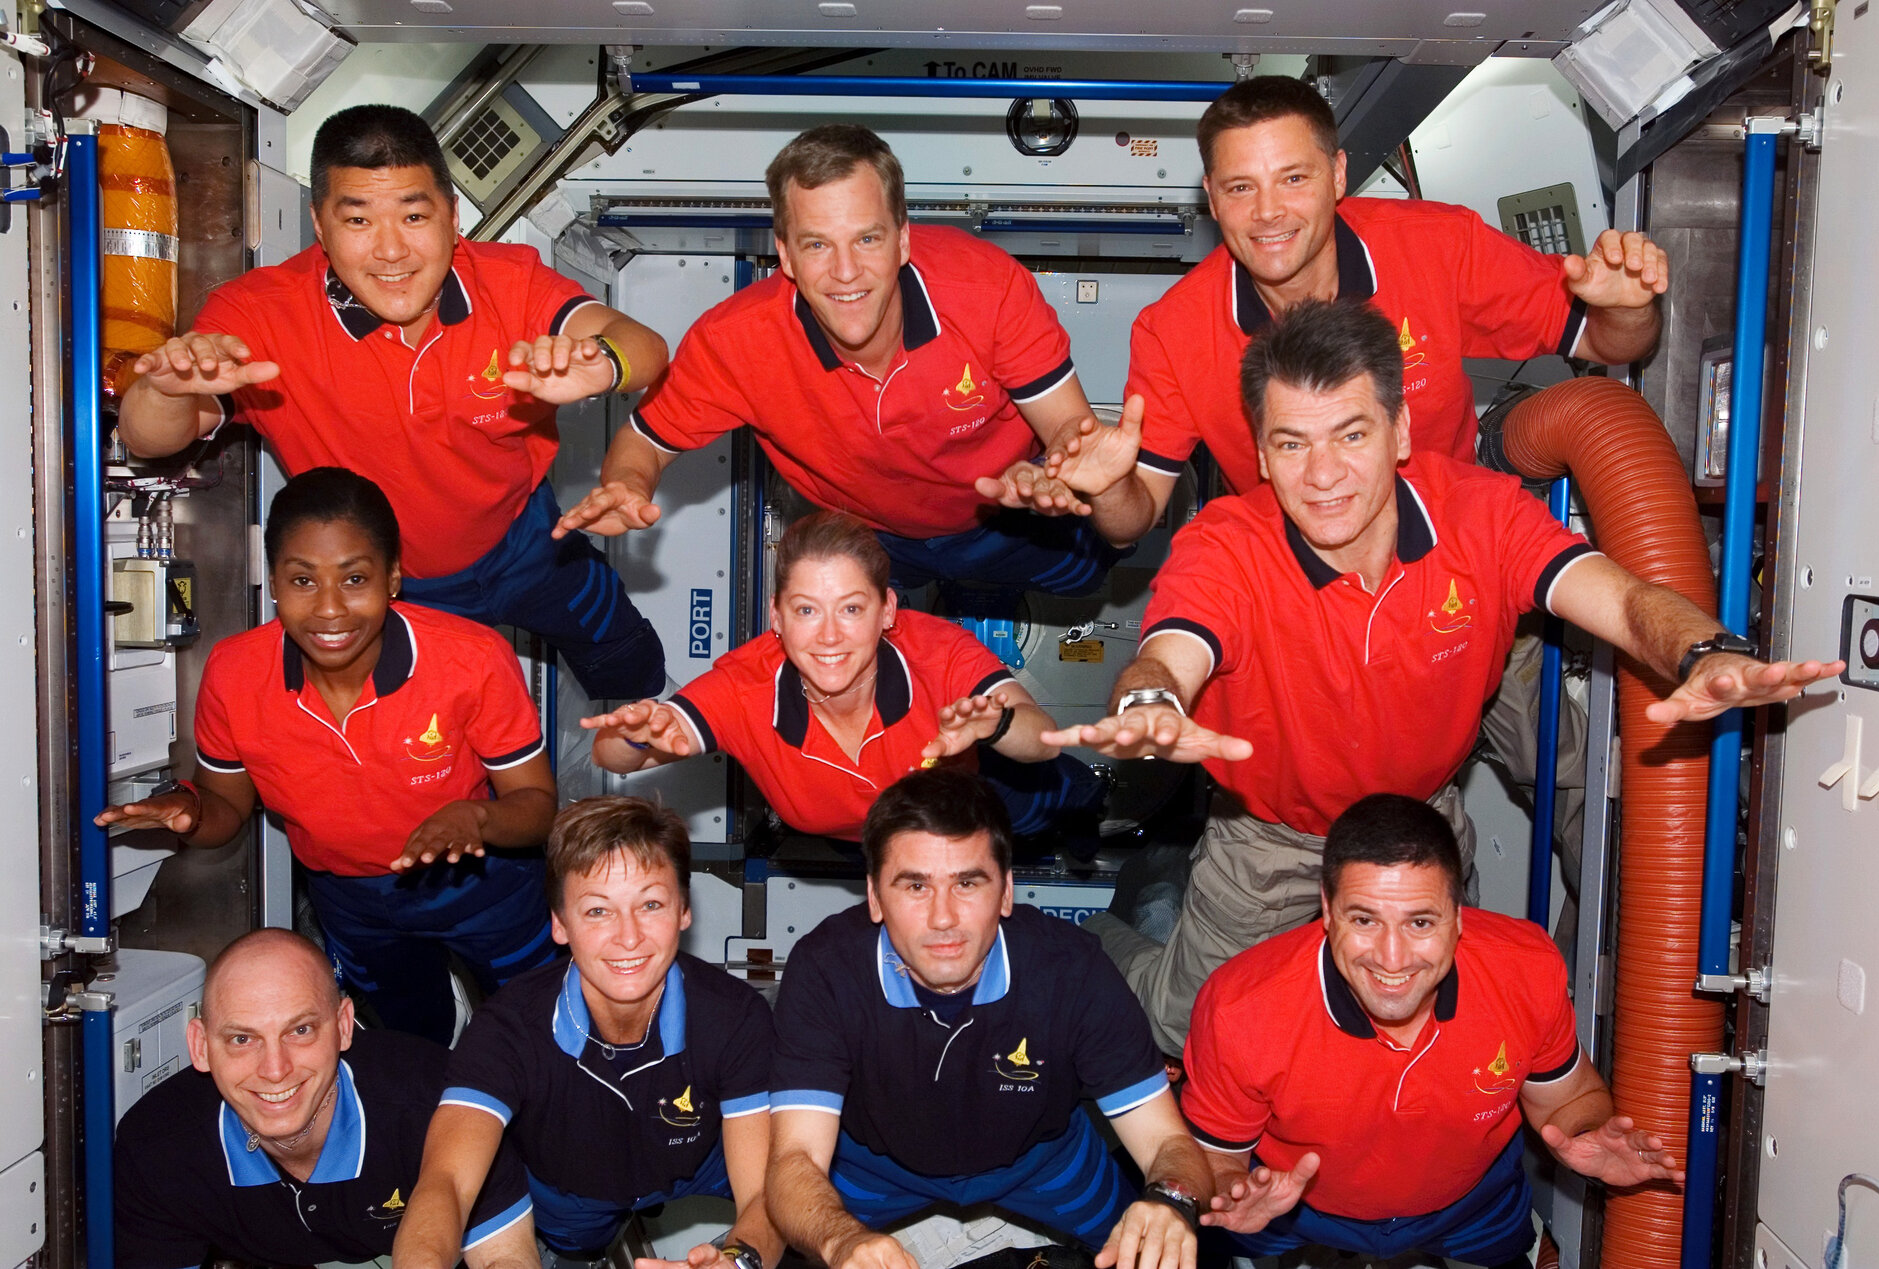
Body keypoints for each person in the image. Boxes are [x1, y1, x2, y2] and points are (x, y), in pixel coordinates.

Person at [1049, 300, 1841, 1054]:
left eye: (1350, 435)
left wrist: (1704, 653)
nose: (1322, 474)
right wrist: (1151, 701)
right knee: (1185, 1028)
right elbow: (1170, 649)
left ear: (1398, 432)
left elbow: (1628, 602)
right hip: (1273, 836)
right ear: (1259, 454)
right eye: (1291, 444)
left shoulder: (1483, 516)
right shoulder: (1227, 543)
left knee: (1432, 1017)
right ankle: (1094, 941)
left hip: (1417, 824)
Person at [115, 104, 669, 700]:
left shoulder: (510, 283)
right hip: (397, 584)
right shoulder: (257, 315)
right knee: (451, 741)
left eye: (413, 215)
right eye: (357, 221)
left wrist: (603, 364)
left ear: (453, 217)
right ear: (319, 226)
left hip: (528, 541)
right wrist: (163, 389)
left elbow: (648, 346)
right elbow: (150, 440)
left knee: (632, 667)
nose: (391, 251)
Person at [1071, 74, 1671, 546]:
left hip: (1453, 549)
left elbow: (1608, 343)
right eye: (1240, 187)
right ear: (1211, 198)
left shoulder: (1438, 246)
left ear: (1337, 175)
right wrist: (1106, 491)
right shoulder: (1175, 329)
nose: (1269, 212)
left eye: (1293, 178)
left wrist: (1629, 309)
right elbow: (1135, 515)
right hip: (1290, 581)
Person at [555, 123, 1137, 597]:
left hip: (1011, 519)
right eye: (816, 244)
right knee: (903, 608)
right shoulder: (735, 343)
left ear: (904, 239)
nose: (845, 271)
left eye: (867, 239)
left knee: (1086, 581)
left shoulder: (986, 289)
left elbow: (1067, 427)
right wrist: (627, 485)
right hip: (878, 536)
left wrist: (1052, 472)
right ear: (784, 255)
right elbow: (647, 438)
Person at [95, 468, 560, 1045]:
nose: (330, 610)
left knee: (542, 1028)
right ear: (273, 581)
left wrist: (478, 818)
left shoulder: (472, 659)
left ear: (393, 578)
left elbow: (537, 807)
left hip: (482, 879)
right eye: (303, 580)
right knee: (415, 1038)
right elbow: (224, 808)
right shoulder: (236, 673)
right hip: (353, 900)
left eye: (355, 578)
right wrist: (187, 814)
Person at [1183, 794, 1683, 1267]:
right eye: (1365, 919)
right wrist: (1232, 1190)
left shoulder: (1526, 969)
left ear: (1460, 916)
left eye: (1420, 922)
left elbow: (1567, 1099)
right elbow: (1216, 1155)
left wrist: (1586, 1132)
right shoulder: (1240, 1006)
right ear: (1328, 910)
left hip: (1473, 1200)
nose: (1392, 958)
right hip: (1291, 1204)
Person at [764, 769, 1212, 1269]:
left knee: (1174, 1247)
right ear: (874, 896)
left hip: (1043, 1161)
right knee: (801, 1244)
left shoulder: (1071, 969)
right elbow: (794, 1159)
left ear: (1005, 892)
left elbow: (1169, 1143)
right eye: (915, 885)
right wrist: (841, 1240)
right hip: (875, 1167)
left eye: (967, 883)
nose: (943, 918)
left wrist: (1173, 1202)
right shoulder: (827, 969)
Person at [396, 797, 781, 1268]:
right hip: (573, 1189)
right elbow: (446, 1182)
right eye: (598, 911)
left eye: (651, 904)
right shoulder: (508, 1028)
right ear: (560, 924)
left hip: (704, 1162)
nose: (629, 936)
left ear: (684, 910)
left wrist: (740, 1259)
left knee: (807, 1195)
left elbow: (765, 1190)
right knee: (577, 1250)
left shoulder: (735, 1016)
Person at [585, 511, 1101, 845]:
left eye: (851, 608)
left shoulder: (935, 652)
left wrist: (996, 723)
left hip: (975, 794)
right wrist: (637, 728)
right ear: (777, 618)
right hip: (881, 845)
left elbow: (1044, 740)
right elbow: (612, 756)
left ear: (887, 611)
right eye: (807, 610)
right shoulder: (745, 689)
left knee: (1055, 806)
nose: (829, 635)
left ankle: (1088, 809)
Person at [116, 929, 537, 1269]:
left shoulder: (441, 1101)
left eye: (300, 1031)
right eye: (242, 1039)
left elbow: (503, 1257)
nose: (275, 1069)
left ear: (343, 1026)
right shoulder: (155, 1148)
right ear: (201, 1046)